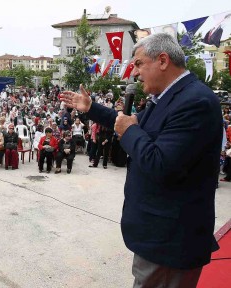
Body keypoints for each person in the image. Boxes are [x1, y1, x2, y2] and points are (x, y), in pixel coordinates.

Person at [60, 33, 222, 287]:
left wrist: (131, 130)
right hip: (157, 237)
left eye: (138, 64)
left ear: (163, 60)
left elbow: (161, 164)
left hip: (170, 243)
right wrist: (91, 108)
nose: (133, 73)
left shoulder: (194, 102)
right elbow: (130, 125)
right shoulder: (169, 98)